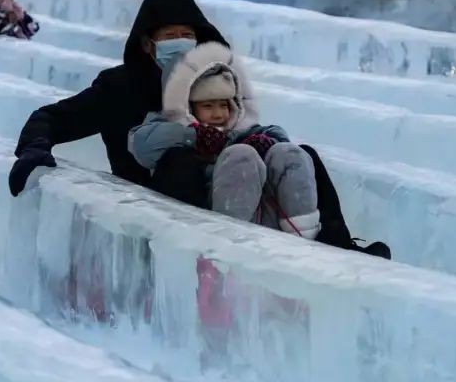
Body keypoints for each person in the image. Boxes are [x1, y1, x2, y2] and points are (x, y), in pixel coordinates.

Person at [9, 0, 388, 257]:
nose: (181, 43)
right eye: (170, 37)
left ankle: (336, 245)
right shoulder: (119, 87)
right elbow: (54, 118)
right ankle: (217, 256)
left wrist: (261, 142)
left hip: (235, 180)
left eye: (188, 36)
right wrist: (34, 147)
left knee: (301, 155)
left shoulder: (211, 81)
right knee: (181, 161)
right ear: (147, 45)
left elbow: (241, 123)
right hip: (158, 196)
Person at [128, 42, 323, 239]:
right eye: (208, 105)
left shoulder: (238, 128)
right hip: (212, 217)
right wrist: (195, 136)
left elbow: (275, 133)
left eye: (224, 105)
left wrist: (265, 141)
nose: (218, 114)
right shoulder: (169, 124)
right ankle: (228, 248)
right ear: (188, 106)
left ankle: (304, 239)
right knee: (241, 156)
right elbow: (143, 145)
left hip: (266, 217)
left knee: (289, 153)